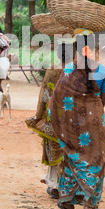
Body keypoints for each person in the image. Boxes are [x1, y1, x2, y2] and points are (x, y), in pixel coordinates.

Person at [48, 32, 105, 209]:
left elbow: (55, 101)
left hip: (74, 126)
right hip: (95, 122)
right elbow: (102, 100)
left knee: (73, 157)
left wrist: (64, 122)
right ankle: (87, 207)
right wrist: (92, 113)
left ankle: (66, 200)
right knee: (95, 159)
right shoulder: (102, 70)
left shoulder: (67, 71)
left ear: (76, 49)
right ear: (92, 49)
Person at [25, 41, 74, 199]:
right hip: (72, 119)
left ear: (59, 54)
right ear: (73, 54)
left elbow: (45, 96)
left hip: (53, 118)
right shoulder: (77, 72)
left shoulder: (52, 71)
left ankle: (54, 185)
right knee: (70, 151)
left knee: (54, 150)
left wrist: (39, 116)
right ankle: (69, 185)